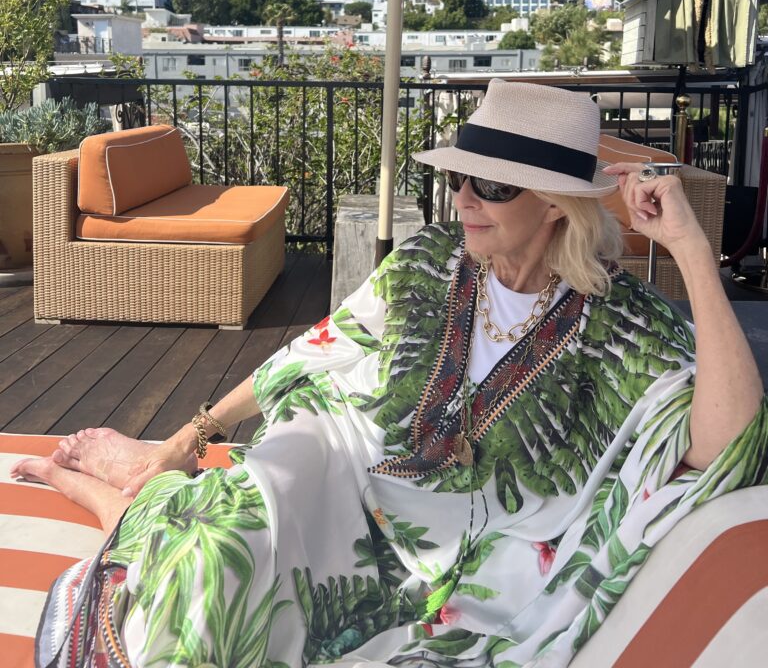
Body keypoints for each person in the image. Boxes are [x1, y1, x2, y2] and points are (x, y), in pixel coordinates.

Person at [12, 80, 767, 668]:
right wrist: (187, 436)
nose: (465, 198)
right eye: (462, 178)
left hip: (467, 563)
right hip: (344, 485)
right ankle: (125, 490)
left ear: (558, 208)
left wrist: (693, 251)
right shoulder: (432, 261)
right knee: (218, 542)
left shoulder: (622, 325)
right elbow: (318, 346)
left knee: (232, 564)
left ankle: (106, 496)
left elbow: (730, 442)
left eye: (493, 186)